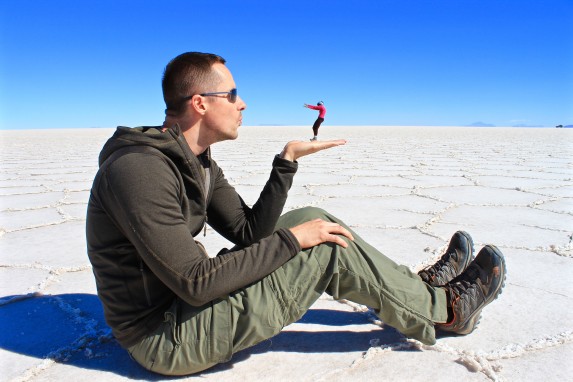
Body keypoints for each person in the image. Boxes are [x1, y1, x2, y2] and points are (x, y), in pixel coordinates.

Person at [86, 52, 506, 376]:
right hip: (165, 335)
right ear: (199, 103)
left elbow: (249, 232)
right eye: (231, 94)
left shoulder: (197, 161)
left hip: (183, 305)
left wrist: (286, 162)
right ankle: (445, 310)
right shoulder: (139, 170)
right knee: (320, 245)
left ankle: (410, 289)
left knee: (312, 216)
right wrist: (294, 241)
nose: (242, 103)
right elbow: (197, 283)